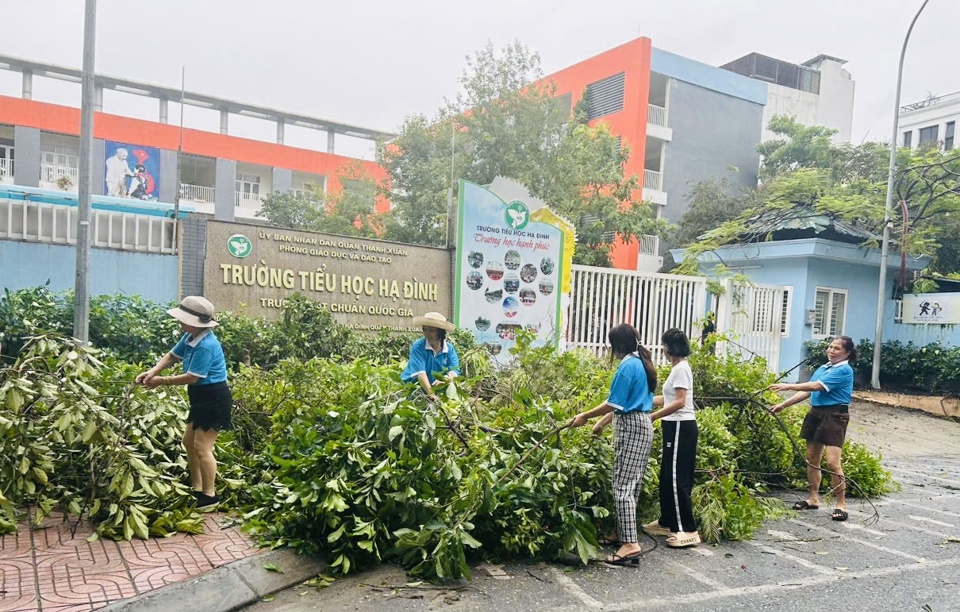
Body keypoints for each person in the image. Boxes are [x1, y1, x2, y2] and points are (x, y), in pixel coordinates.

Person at [570, 323, 658, 566]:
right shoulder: (640, 362)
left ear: (617, 345)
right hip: (641, 424)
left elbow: (614, 403)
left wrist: (585, 416)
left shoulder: (628, 365)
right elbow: (622, 403)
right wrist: (602, 423)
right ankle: (624, 533)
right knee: (633, 484)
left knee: (622, 486)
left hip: (631, 425)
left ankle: (630, 544)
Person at [136, 296, 232, 510]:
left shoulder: (206, 345)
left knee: (202, 447)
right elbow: (172, 355)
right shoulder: (191, 336)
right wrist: (152, 372)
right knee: (188, 442)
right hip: (199, 397)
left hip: (213, 397)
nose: (180, 323)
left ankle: (210, 496)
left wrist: (161, 381)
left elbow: (192, 377)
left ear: (196, 322)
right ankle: (197, 488)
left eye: (183, 320)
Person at [769, 336, 856, 522]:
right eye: (831, 347)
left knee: (833, 462)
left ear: (847, 352)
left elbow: (817, 386)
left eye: (837, 348)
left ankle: (841, 504)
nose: (832, 351)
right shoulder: (824, 368)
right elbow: (808, 391)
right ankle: (813, 498)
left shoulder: (844, 370)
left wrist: (787, 385)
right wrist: (784, 404)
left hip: (834, 415)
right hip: (816, 413)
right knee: (812, 458)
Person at [641, 328, 701, 548]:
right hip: (673, 427)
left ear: (669, 347)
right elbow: (668, 398)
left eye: (664, 345)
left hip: (680, 427)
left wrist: (654, 416)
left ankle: (687, 529)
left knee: (677, 480)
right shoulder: (677, 369)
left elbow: (680, 402)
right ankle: (667, 521)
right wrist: (643, 402)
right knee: (667, 476)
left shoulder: (682, 369)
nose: (663, 349)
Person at [401, 312, 460, 402]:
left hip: (431, 388)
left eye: (431, 330)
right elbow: (420, 374)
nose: (427, 333)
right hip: (412, 388)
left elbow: (455, 370)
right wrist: (432, 395)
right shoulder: (418, 347)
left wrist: (447, 379)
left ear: (440, 332)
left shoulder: (449, 349)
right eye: (425, 329)